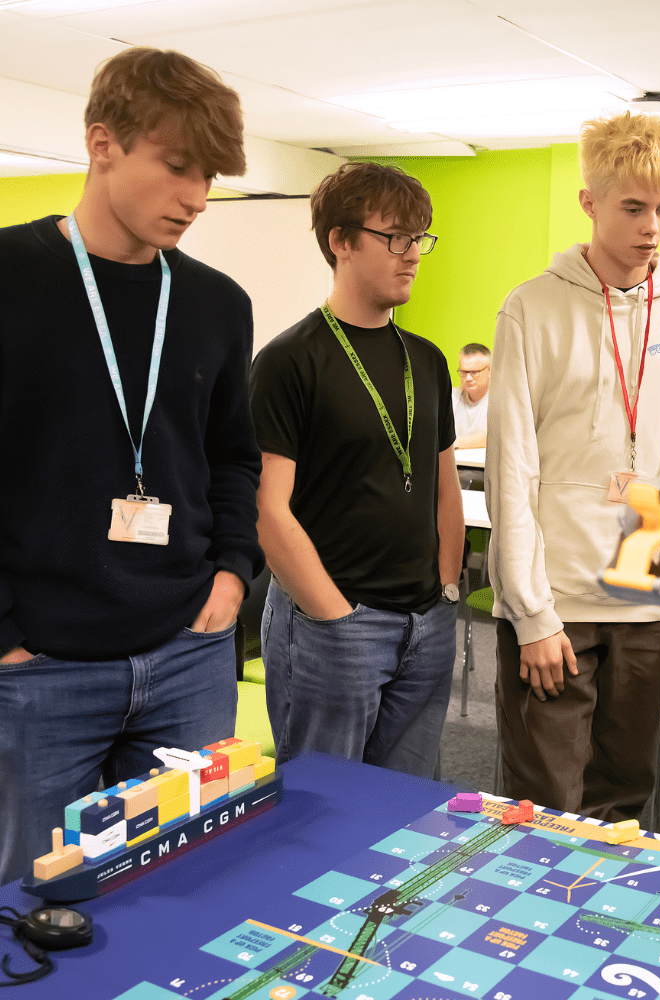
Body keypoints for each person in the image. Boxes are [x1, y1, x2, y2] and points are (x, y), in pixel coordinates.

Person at [0, 47, 263, 886]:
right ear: (102, 141)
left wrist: (232, 575)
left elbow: (232, 457)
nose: (195, 197)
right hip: (42, 669)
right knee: (43, 907)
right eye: (177, 165)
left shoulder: (218, 302)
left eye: (210, 176)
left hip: (188, 652)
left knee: (187, 883)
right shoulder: (8, 277)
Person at [486, 111, 660, 822]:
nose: (652, 226)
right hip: (555, 602)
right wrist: (531, 615)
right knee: (546, 807)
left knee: (625, 805)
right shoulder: (530, 309)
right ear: (590, 203)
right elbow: (513, 472)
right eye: (632, 207)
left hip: (650, 592)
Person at [251, 162, 464, 779]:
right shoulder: (290, 360)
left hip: (425, 622)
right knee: (322, 807)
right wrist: (334, 616)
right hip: (334, 624)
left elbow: (442, 482)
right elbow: (269, 508)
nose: (413, 255)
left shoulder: (425, 359)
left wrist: (447, 589)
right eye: (395, 237)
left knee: (406, 809)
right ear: (340, 242)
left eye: (420, 238)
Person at [453, 343, 491, 449]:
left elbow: (498, 436)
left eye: (475, 372)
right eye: (464, 372)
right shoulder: (451, 397)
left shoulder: (500, 399)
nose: (468, 378)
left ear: (490, 371)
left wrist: (456, 442)